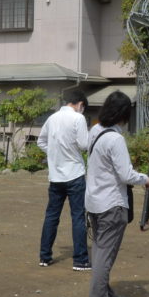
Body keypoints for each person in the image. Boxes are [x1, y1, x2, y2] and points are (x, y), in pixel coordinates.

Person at [85, 91, 149, 297]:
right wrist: (145, 179)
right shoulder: (115, 139)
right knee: (106, 253)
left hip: (94, 200)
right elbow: (126, 174)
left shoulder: (95, 130)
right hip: (111, 203)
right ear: (124, 114)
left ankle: (104, 292)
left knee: (100, 250)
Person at [37, 89, 90, 269]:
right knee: (78, 217)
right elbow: (84, 144)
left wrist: (53, 152)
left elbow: (41, 141)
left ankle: (45, 256)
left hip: (56, 176)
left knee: (52, 216)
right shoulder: (78, 118)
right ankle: (80, 259)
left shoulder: (52, 118)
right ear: (80, 105)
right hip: (74, 173)